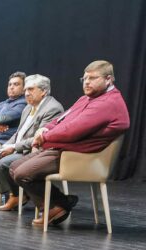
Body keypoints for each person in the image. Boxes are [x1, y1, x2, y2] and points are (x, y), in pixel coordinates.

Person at [9, 60, 130, 226]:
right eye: (85, 78)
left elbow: (73, 130)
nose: (87, 82)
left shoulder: (107, 103)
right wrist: (44, 129)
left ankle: (58, 205)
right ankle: (58, 204)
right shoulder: (86, 99)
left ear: (108, 79)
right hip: (66, 148)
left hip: (80, 155)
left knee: (23, 174)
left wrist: (45, 137)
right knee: (14, 167)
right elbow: (63, 118)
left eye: (93, 78)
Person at [0, 74, 64, 211]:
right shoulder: (28, 107)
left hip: (35, 151)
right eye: (26, 90)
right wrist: (5, 145)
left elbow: (39, 138)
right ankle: (12, 194)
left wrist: (14, 147)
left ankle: (18, 195)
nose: (26, 93)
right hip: (19, 147)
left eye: (31, 89)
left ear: (43, 91)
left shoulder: (52, 108)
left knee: (4, 163)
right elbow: (18, 133)